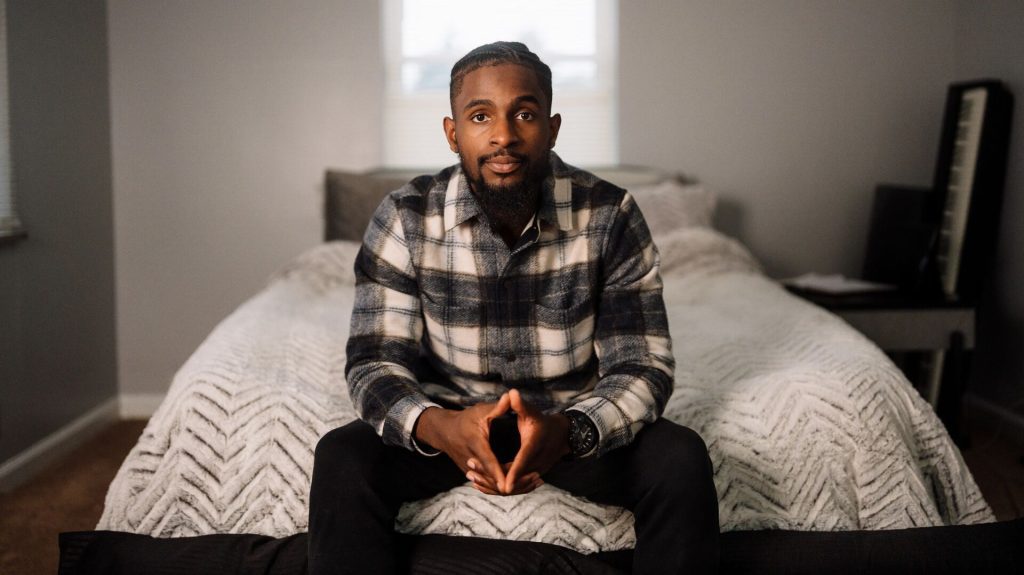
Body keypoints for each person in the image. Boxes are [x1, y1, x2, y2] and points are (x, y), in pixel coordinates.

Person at [309, 41, 719, 574]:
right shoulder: (404, 216)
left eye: (524, 114)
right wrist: (440, 427)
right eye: (480, 116)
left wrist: (568, 432)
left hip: (566, 422)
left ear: (552, 128)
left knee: (680, 458)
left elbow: (642, 365)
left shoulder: (611, 213)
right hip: (450, 420)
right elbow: (374, 362)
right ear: (453, 133)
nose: (503, 135)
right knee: (342, 458)